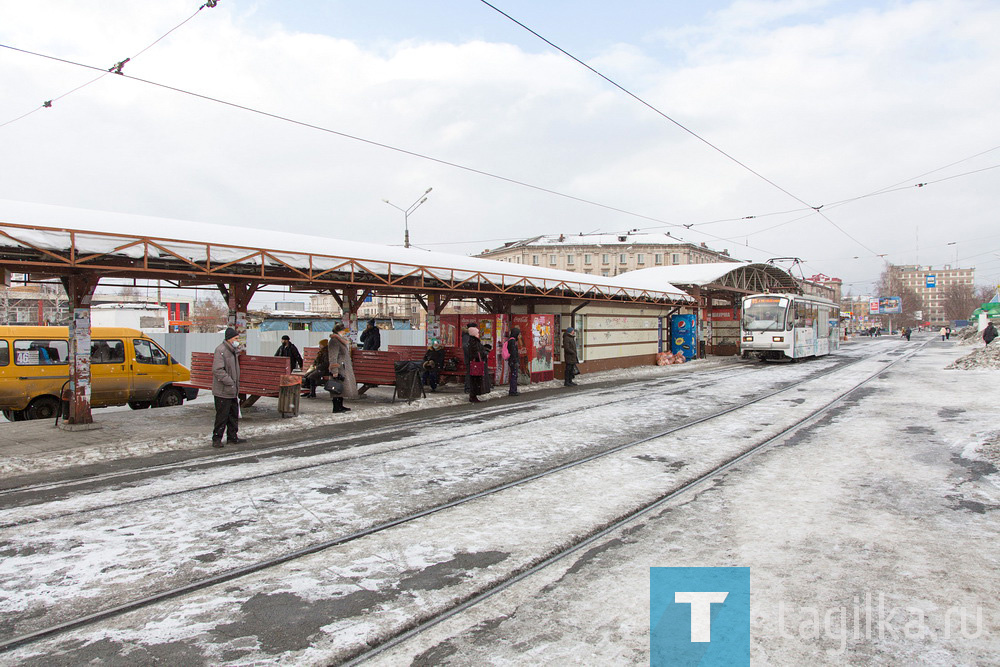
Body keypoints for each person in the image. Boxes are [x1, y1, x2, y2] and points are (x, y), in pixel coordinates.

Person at [211, 327, 243, 448]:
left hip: (232, 390)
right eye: (236, 338)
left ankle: (232, 437)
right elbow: (217, 370)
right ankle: (217, 438)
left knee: (233, 415)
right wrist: (230, 382)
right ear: (229, 339)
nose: (237, 341)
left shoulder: (233, 351)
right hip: (223, 390)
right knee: (222, 416)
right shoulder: (221, 350)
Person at [328, 323, 359, 413]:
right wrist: (334, 370)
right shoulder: (334, 341)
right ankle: (336, 407)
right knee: (336, 387)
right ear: (339, 331)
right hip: (339, 367)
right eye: (343, 331)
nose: (345, 333)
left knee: (341, 388)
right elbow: (333, 356)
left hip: (343, 367)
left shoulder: (340, 340)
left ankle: (340, 405)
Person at [466, 326, 487, 403]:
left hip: (474, 363)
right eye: (477, 332)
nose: (478, 334)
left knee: (475, 379)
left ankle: (474, 395)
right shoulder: (473, 341)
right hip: (476, 363)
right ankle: (473, 395)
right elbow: (476, 352)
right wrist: (483, 354)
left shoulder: (472, 341)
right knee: (475, 380)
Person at [505, 327, 521, 396]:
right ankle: (513, 391)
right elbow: (513, 352)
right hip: (513, 361)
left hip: (511, 361)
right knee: (514, 376)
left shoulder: (510, 340)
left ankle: (513, 390)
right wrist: (516, 361)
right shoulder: (512, 341)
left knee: (513, 375)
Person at [462, 322, 476, 392]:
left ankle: (470, 387)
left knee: (470, 372)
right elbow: (466, 346)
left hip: (470, 358)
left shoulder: (467, 335)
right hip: (469, 358)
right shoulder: (467, 336)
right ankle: (468, 387)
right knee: (469, 373)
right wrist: (471, 355)